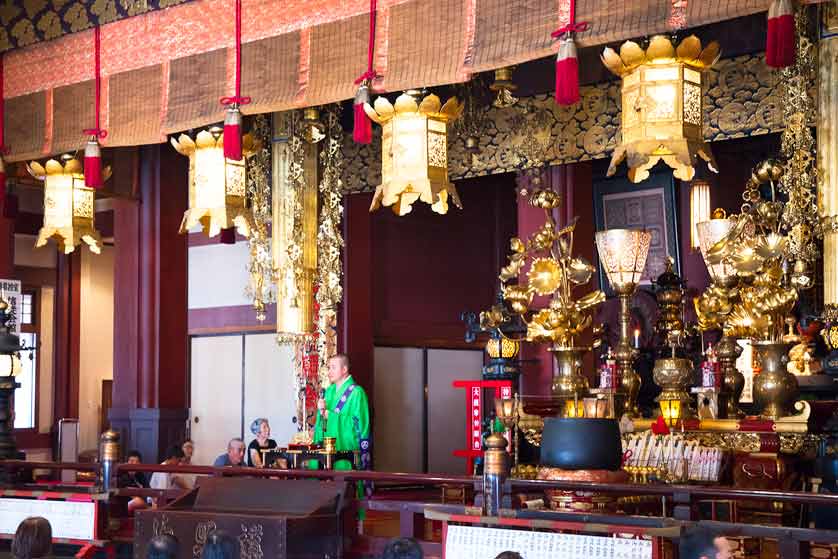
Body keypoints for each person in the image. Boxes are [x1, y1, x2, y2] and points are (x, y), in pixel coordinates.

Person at [314, 353, 371, 471]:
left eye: (333, 367)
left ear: (344, 369)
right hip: (327, 452)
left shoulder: (357, 393)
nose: (329, 371)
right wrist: (321, 413)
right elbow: (321, 425)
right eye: (329, 368)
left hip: (346, 452)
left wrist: (332, 417)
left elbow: (361, 427)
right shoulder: (328, 392)